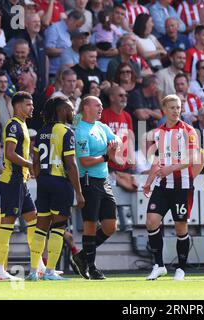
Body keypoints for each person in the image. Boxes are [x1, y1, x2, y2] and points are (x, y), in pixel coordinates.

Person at [143, 94, 201, 281]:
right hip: (162, 186)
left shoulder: (189, 131)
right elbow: (158, 160)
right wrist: (149, 181)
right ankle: (159, 265)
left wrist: (171, 168)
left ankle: (181, 269)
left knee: (180, 227)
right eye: (173, 107)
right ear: (164, 110)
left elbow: (193, 158)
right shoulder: (158, 133)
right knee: (151, 221)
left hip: (182, 187)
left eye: (178, 107)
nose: (176, 110)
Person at [26, 97, 85, 281]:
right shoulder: (66, 132)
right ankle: (51, 271)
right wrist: (79, 192)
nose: (73, 111)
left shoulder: (42, 132)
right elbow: (71, 164)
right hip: (60, 183)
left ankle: (34, 271)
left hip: (43, 182)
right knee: (59, 228)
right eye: (70, 107)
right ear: (61, 110)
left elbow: (34, 162)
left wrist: (41, 179)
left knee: (40, 228)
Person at [0, 91, 41, 281]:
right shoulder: (13, 125)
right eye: (28, 105)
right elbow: (11, 154)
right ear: (18, 106)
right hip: (11, 181)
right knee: (7, 224)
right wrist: (30, 164)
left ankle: (39, 265)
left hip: (19, 180)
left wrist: (26, 169)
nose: (32, 108)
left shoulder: (22, 125)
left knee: (33, 219)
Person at [73, 96, 121, 280]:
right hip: (88, 181)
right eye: (97, 105)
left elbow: (115, 138)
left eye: (101, 105)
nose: (101, 108)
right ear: (86, 107)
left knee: (110, 226)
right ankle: (91, 267)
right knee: (90, 225)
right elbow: (84, 161)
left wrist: (115, 142)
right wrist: (106, 157)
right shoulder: (81, 131)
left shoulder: (101, 126)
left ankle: (82, 256)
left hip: (104, 181)